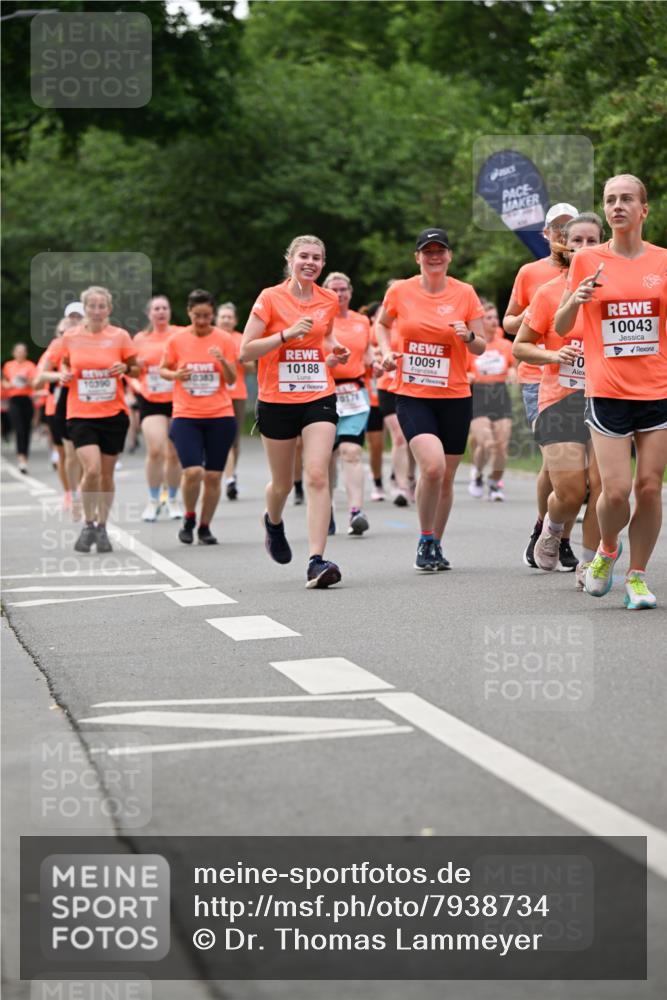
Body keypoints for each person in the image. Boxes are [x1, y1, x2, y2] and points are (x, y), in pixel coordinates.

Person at [554, 175, 667, 609]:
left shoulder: (661, 261)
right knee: (615, 492)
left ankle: (637, 577)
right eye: (610, 200)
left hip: (656, 389)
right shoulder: (587, 262)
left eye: (626, 199)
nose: (617, 206)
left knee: (651, 487)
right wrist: (575, 300)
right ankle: (606, 550)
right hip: (608, 390)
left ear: (644, 209)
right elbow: (562, 327)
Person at [240, 234, 350, 589]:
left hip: (319, 394)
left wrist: (337, 351)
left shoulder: (328, 299)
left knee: (317, 474)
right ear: (290, 259)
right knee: (284, 483)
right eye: (304, 256)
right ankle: (272, 521)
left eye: (317, 258)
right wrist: (285, 335)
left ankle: (316, 561)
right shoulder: (270, 298)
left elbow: (326, 338)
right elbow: (246, 351)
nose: (311, 263)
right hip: (276, 399)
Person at [376, 228, 485, 571]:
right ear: (418, 257)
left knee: (447, 476)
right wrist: (385, 352)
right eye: (427, 251)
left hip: (454, 394)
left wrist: (468, 336)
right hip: (412, 393)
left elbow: (481, 343)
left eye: (440, 250)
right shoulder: (400, 291)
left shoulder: (465, 293)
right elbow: (382, 325)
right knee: (433, 466)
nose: (434, 256)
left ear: (449, 256)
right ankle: (425, 538)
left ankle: (436, 542)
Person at [513, 213, 605, 587]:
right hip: (559, 398)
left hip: (607, 397)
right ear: (565, 246)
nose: (584, 248)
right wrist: (553, 356)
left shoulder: (618, 289)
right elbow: (521, 346)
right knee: (569, 492)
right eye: (577, 241)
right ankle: (551, 527)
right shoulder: (549, 291)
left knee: (603, 488)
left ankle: (589, 563)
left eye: (592, 241)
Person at [504, 203, 579, 568]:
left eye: (571, 227)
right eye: (557, 228)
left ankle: (557, 535)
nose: (564, 235)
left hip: (581, 380)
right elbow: (508, 324)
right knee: (553, 463)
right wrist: (537, 308)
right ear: (545, 234)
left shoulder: (590, 267)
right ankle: (546, 530)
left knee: (571, 470)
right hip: (539, 378)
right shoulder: (530, 272)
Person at [60, 286, 139, 553]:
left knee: (106, 475)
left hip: (113, 414)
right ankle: (88, 523)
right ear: (85, 309)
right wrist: (62, 374)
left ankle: (102, 527)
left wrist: (126, 368)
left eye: (101, 306)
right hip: (80, 414)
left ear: (109, 309)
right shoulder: (70, 337)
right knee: (91, 470)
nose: (96, 310)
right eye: (91, 306)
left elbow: (138, 369)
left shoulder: (120, 336)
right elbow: (58, 364)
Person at [160, 289, 237, 545]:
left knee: (213, 476)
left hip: (220, 415)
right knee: (193, 471)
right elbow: (162, 369)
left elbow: (232, 379)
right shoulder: (177, 339)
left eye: (206, 316)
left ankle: (205, 527)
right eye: (197, 316)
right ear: (189, 313)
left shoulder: (224, 339)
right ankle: (189, 517)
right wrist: (175, 376)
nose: (202, 321)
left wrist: (222, 361)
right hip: (186, 415)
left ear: (213, 314)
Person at [323, 271, 373, 536]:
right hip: (324, 392)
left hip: (354, 392)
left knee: (350, 452)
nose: (339, 294)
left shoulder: (362, 321)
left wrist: (376, 360)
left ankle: (356, 511)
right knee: (326, 458)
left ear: (350, 292)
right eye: (333, 290)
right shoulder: (319, 320)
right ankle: (325, 509)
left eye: (343, 289)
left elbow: (367, 352)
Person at [133, 295, 183, 522]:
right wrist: (136, 368)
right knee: (155, 449)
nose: (161, 312)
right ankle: (153, 500)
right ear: (149, 314)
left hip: (178, 399)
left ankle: (171, 499)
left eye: (164, 308)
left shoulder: (180, 334)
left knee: (173, 453)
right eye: (156, 309)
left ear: (170, 312)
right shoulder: (140, 339)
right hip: (150, 400)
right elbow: (130, 370)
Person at [467, 299, 516, 501]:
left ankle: (495, 483)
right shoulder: (471, 344)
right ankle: (477, 474)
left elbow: (514, 364)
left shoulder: (505, 344)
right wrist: (468, 376)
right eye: (488, 318)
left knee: (502, 446)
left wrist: (513, 371)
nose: (494, 321)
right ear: (481, 321)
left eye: (496, 317)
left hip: (500, 393)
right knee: (487, 444)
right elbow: (462, 370)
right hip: (478, 394)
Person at [216, 301, 255, 501]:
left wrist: (242, 359)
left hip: (237, 395)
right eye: (223, 316)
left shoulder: (241, 339)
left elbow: (252, 368)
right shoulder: (212, 338)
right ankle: (229, 477)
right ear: (217, 319)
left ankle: (231, 475)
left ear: (236, 320)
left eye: (229, 317)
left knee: (234, 441)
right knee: (223, 440)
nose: (226, 320)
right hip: (214, 395)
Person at [361, 303, 387, 501]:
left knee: (401, 438)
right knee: (376, 443)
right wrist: (375, 356)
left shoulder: (396, 332)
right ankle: (377, 481)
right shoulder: (365, 333)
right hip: (370, 395)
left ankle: (402, 479)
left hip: (393, 391)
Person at [2, 342, 36, 472]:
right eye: (18, 351)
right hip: (14, 400)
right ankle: (21, 458)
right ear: (14, 353)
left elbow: (35, 382)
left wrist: (25, 381)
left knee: (27, 430)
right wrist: (9, 384)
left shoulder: (30, 365)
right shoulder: (8, 365)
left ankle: (25, 457)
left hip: (26, 399)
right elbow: (4, 381)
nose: (20, 353)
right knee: (19, 429)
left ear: (25, 353)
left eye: (23, 351)